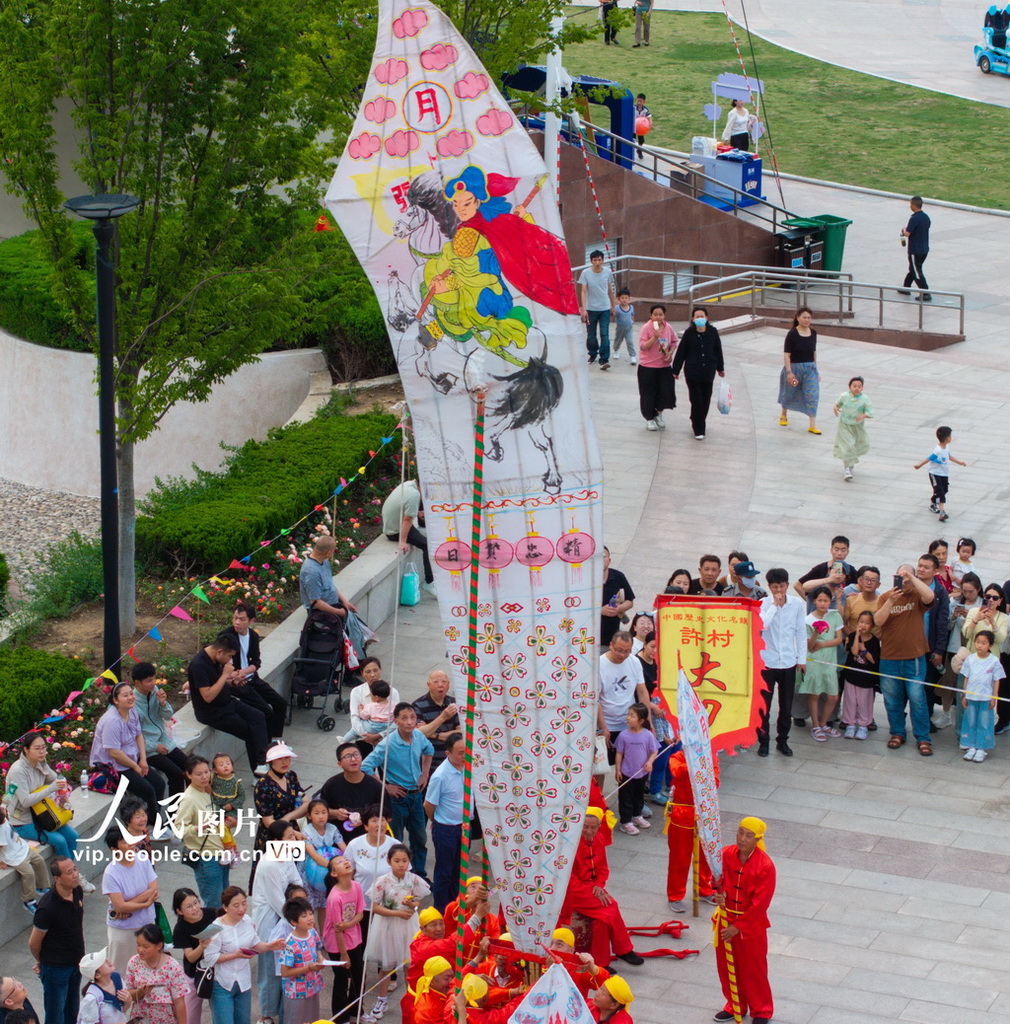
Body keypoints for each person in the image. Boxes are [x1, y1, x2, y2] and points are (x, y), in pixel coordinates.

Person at [712, 817, 776, 1024]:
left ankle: (762, 1010)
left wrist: (737, 927)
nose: (742, 839)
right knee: (726, 966)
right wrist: (717, 893)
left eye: (748, 835)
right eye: (740, 832)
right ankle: (734, 1004)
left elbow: (760, 904)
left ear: (757, 839)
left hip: (751, 927)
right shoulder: (725, 854)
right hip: (724, 918)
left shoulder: (765, 865)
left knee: (753, 969)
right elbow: (714, 879)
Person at [559, 809, 643, 968]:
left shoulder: (599, 838)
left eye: (593, 827)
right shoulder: (570, 844)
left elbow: (603, 869)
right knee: (611, 906)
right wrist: (592, 890)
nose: (589, 831)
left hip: (592, 888)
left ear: (598, 827)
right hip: (574, 891)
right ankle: (623, 949)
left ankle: (600, 962)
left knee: (601, 921)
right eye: (585, 827)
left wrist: (599, 885)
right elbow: (568, 879)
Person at [361, 704, 434, 877]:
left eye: (412, 717)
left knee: (420, 838)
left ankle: (419, 876)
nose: (409, 722)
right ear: (396, 721)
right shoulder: (388, 743)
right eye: (404, 718)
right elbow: (366, 766)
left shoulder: (418, 736)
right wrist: (385, 786)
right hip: (398, 798)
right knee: (396, 840)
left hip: (416, 796)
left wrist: (425, 774)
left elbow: (429, 750)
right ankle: (395, 877)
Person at [364, 844, 431, 1023]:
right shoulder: (382, 881)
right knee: (387, 965)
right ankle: (382, 1000)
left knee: (410, 963)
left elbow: (418, 902)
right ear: (389, 861)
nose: (401, 865)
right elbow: (375, 907)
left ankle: (412, 998)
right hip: (388, 925)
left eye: (404, 861)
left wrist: (411, 905)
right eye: (397, 861)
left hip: (408, 924)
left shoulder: (413, 879)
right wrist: (397, 913)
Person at [874, 562, 936, 755]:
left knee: (918, 699)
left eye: (908, 577)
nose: (905, 580)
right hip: (890, 658)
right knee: (892, 699)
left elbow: (930, 596)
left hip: (914, 658)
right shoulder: (886, 597)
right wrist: (891, 601)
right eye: (901, 576)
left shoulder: (918, 595)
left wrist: (914, 578)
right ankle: (897, 732)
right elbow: (878, 621)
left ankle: (923, 737)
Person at [187, 633, 269, 774]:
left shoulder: (216, 659)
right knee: (250, 732)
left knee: (259, 716)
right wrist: (225, 675)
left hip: (227, 702)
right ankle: (259, 771)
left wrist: (233, 683)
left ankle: (262, 762)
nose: (230, 660)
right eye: (229, 656)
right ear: (220, 651)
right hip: (212, 712)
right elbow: (207, 696)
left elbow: (218, 683)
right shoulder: (198, 665)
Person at [202, 887, 284, 1024]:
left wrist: (270, 946)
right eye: (236, 905)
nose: (242, 908)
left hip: (243, 983)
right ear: (225, 907)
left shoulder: (248, 921)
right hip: (222, 984)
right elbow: (210, 959)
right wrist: (235, 955)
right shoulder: (214, 927)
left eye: (244, 903)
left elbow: (255, 943)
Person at [90, 681, 167, 826]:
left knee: (159, 784)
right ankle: (154, 826)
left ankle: (152, 822)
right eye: (125, 695)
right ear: (115, 700)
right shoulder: (111, 721)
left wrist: (143, 760)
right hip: (114, 766)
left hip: (132, 759)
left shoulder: (131, 712)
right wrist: (136, 766)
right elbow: (114, 753)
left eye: (131, 693)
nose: (130, 697)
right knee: (148, 790)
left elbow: (139, 735)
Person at [28, 856, 85, 1024]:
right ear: (57, 879)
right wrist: (43, 962)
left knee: (72, 1011)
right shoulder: (47, 907)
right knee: (55, 1015)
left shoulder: (77, 891)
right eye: (69, 872)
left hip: (76, 963)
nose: (75, 874)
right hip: (56, 968)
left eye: (75, 869)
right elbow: (33, 943)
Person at [174, 755, 233, 911]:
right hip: (206, 858)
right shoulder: (189, 798)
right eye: (199, 774)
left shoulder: (207, 791)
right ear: (188, 775)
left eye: (207, 772)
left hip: (220, 853)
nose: (205, 777)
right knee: (214, 905)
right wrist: (199, 828)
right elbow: (179, 827)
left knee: (225, 901)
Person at [757, 569, 806, 757]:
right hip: (767, 662)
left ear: (787, 584)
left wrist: (801, 659)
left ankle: (783, 740)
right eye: (775, 587)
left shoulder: (796, 604)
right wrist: (774, 606)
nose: (779, 590)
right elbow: (762, 625)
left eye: (782, 586)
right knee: (764, 705)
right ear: (769, 587)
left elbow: (800, 633)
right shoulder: (763, 604)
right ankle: (763, 741)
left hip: (787, 662)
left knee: (786, 705)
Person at [223, 603, 287, 743]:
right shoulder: (226, 636)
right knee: (266, 711)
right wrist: (236, 674)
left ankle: (276, 738)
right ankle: (267, 743)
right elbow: (221, 663)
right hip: (238, 683)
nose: (237, 622)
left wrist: (245, 671)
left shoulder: (252, 636)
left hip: (252, 678)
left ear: (251, 621)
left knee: (281, 703)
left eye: (242, 619)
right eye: (235, 618)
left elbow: (256, 662)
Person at [664, 749, 717, 912]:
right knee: (679, 857)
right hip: (681, 813)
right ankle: (675, 895)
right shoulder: (677, 756)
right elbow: (676, 771)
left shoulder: (711, 757)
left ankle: (705, 889)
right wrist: (694, 766)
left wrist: (702, 767)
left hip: (704, 813)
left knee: (705, 855)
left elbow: (715, 781)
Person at [102, 825, 159, 975]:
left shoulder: (142, 857)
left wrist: (130, 904)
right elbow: (120, 907)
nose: (131, 844)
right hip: (124, 929)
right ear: (114, 849)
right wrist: (144, 903)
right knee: (121, 970)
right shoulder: (111, 873)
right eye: (125, 842)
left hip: (146, 922)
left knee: (147, 966)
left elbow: (153, 889)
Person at [343, 806, 399, 953]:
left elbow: (405, 874)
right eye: (374, 820)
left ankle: (386, 976)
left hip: (388, 906)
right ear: (366, 825)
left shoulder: (395, 845)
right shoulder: (355, 845)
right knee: (361, 947)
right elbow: (346, 873)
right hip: (362, 906)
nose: (379, 824)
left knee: (387, 948)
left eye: (382, 820)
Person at [252, 743, 312, 872]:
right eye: (280, 758)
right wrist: (291, 832)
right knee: (277, 875)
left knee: (295, 875)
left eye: (287, 758)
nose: (285, 762)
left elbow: (307, 803)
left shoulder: (291, 776)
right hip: (274, 836)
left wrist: (289, 817)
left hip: (292, 831)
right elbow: (268, 822)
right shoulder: (263, 785)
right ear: (270, 762)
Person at [424, 732, 467, 912]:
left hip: (463, 827)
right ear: (448, 753)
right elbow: (428, 805)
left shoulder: (468, 768)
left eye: (466, 751)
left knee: (459, 870)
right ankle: (440, 910)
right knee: (444, 872)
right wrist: (438, 822)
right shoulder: (440, 776)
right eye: (460, 752)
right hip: (446, 829)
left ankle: (455, 906)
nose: (464, 756)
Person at [132, 664, 189, 797]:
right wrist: (154, 747)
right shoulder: (132, 704)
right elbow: (133, 736)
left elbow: (168, 716)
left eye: (154, 679)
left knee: (190, 767)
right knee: (176, 775)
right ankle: (173, 815)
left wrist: (163, 703)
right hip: (148, 749)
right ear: (137, 683)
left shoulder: (155, 691)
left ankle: (190, 807)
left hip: (163, 740)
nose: (153, 683)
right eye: (148, 681)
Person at [598, 633, 650, 774]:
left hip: (629, 722)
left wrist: (647, 722)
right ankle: (600, 796)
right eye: (619, 650)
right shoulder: (599, 664)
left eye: (627, 651)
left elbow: (642, 692)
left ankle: (627, 796)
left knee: (630, 764)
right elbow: (595, 700)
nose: (622, 655)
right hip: (607, 722)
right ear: (610, 645)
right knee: (601, 767)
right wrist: (603, 728)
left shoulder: (634, 662)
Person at [798, 586, 845, 740]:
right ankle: (816, 725)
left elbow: (839, 639)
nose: (823, 604)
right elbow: (810, 646)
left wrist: (823, 644)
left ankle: (824, 723)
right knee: (814, 694)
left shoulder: (835, 616)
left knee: (833, 696)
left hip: (830, 661)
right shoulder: (808, 620)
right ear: (814, 601)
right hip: (814, 661)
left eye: (826, 600)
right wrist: (816, 634)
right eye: (820, 600)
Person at [671, 307, 725, 439]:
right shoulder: (689, 333)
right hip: (692, 372)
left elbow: (718, 350)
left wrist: (720, 368)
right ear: (693, 319)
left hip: (708, 372)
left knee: (705, 399)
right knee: (696, 400)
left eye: (702, 316)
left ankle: (696, 418)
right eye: (697, 317)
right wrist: (676, 370)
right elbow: (681, 352)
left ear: (707, 318)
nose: (700, 319)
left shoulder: (713, 332)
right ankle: (699, 429)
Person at [322, 856, 365, 1024]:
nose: (346, 862)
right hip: (337, 945)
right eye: (340, 862)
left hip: (354, 938)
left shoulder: (357, 886)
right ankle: (341, 1017)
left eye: (346, 859)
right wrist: (343, 955)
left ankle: (357, 1010)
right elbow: (336, 930)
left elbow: (360, 914)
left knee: (358, 975)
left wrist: (347, 924)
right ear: (334, 873)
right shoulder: (334, 898)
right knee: (341, 980)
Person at [320, 743, 384, 845]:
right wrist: (335, 813)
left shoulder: (375, 786)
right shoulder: (331, 785)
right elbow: (319, 811)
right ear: (339, 763)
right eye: (348, 756)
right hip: (339, 842)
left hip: (368, 842)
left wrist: (366, 820)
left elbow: (387, 815)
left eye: (356, 755)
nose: (353, 759)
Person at [171, 888, 218, 1024]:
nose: (195, 908)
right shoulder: (180, 928)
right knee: (190, 1016)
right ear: (179, 911)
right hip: (194, 974)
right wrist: (202, 946)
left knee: (219, 1011)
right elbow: (190, 957)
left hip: (215, 968)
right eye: (189, 906)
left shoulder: (212, 913)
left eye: (196, 903)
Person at [125, 924, 188, 1024]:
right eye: (138, 945)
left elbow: (179, 1002)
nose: (140, 950)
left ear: (159, 946)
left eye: (145, 946)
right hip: (141, 1019)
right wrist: (141, 991)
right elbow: (129, 995)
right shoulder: (134, 963)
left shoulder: (173, 967)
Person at [298, 800, 345, 928]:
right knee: (310, 906)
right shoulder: (307, 832)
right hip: (310, 871)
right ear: (309, 816)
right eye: (317, 813)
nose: (321, 816)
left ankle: (323, 936)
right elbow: (314, 856)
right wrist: (334, 867)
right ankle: (312, 935)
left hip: (326, 872)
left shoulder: (332, 829)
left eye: (324, 812)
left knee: (324, 905)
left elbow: (344, 848)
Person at [278, 897, 325, 1024]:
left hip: (312, 986)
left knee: (312, 1020)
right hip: (296, 992)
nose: (310, 918)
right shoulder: (289, 944)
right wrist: (309, 968)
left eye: (310, 913)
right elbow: (285, 972)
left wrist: (320, 957)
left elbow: (317, 947)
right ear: (294, 922)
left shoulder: (312, 932)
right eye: (304, 916)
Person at [382, 480, 434, 593]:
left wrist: (418, 512)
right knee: (427, 546)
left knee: (426, 539)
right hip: (395, 531)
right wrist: (402, 541)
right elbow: (407, 519)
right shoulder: (414, 495)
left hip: (392, 524)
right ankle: (429, 583)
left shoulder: (409, 484)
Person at [960, 630, 1004, 763]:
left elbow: (997, 680)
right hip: (971, 697)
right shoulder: (970, 659)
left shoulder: (994, 661)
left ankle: (981, 748)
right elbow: (966, 677)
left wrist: (994, 697)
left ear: (990, 645)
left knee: (984, 723)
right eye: (977, 642)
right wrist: (964, 694)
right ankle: (971, 746)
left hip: (985, 698)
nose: (979, 645)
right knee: (970, 721)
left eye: (983, 643)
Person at [614, 705, 658, 835]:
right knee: (625, 798)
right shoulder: (623, 735)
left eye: (632, 716)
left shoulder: (648, 735)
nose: (628, 718)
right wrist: (618, 770)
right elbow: (619, 753)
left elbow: (654, 751)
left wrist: (649, 762)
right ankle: (626, 822)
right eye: (628, 714)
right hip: (627, 773)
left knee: (639, 796)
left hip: (642, 773)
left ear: (641, 720)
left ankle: (637, 815)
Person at [343, 658, 402, 751]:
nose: (373, 675)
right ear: (362, 673)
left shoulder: (393, 692)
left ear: (380, 670)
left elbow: (398, 720)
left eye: (375, 670)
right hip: (363, 739)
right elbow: (355, 719)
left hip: (387, 740)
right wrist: (369, 737)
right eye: (368, 671)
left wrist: (379, 735)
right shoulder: (357, 692)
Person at [0, 803, 48, 913]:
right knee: (29, 873)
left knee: (39, 860)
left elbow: (4, 808)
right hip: (14, 857)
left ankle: (42, 886)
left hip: (22, 847)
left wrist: (4, 805)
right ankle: (28, 900)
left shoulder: (3, 817)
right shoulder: (1, 831)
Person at [778, 307, 820, 433]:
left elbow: (814, 352)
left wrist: (816, 370)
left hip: (809, 370)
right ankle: (784, 413)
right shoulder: (792, 334)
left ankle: (812, 424)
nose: (807, 320)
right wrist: (789, 372)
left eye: (809, 317)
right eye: (804, 317)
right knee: (790, 391)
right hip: (794, 370)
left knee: (812, 394)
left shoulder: (813, 333)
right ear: (798, 318)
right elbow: (787, 355)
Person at [914, 425, 966, 523]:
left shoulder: (946, 447)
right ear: (947, 438)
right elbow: (929, 458)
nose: (951, 437)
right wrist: (919, 465)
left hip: (944, 474)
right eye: (950, 436)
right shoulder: (937, 450)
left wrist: (959, 462)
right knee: (940, 493)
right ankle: (942, 513)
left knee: (944, 490)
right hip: (935, 474)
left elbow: (949, 456)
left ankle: (933, 503)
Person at [636, 304, 677, 430]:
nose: (658, 317)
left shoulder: (668, 327)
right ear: (651, 315)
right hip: (648, 367)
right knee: (648, 393)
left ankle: (658, 413)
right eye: (655, 315)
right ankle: (649, 418)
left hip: (664, 366)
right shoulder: (646, 328)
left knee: (666, 391)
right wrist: (654, 337)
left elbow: (674, 342)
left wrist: (670, 353)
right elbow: (643, 346)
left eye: (660, 314)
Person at [841, 612, 880, 740]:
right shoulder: (853, 636)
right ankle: (850, 724)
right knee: (850, 700)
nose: (863, 625)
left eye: (867, 623)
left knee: (864, 702)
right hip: (851, 675)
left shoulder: (874, 641)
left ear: (872, 626)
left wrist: (864, 649)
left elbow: (874, 660)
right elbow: (853, 651)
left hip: (866, 678)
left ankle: (863, 725)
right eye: (861, 621)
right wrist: (857, 636)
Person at [412, 670, 460, 770]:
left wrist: (434, 734)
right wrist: (443, 717)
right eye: (436, 682)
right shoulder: (417, 705)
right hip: (428, 764)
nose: (440, 685)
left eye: (444, 682)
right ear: (428, 685)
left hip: (453, 762)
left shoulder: (455, 703)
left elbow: (461, 733)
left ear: (448, 684)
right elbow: (419, 734)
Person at [795, 536, 858, 607]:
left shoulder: (850, 570)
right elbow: (798, 585)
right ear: (831, 550)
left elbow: (859, 586)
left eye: (843, 550)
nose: (839, 553)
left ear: (847, 552)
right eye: (836, 550)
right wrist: (812, 602)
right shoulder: (821, 568)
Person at [579, 250, 616, 369]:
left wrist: (613, 305)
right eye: (595, 260)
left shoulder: (607, 272)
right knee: (591, 335)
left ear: (603, 260)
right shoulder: (585, 273)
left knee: (604, 334)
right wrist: (584, 309)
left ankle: (604, 359)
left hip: (604, 308)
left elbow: (610, 290)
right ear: (591, 261)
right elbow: (583, 291)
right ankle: (592, 354)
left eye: (599, 260)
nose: (597, 262)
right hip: (591, 309)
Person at [832, 376, 873, 481]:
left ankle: (851, 460)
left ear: (862, 388)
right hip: (844, 425)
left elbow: (870, 412)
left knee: (863, 444)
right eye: (854, 386)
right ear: (849, 387)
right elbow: (837, 404)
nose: (856, 388)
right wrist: (836, 409)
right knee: (847, 446)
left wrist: (862, 416)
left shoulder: (865, 399)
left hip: (857, 426)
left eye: (859, 386)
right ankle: (846, 471)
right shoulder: (844, 396)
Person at [77, 951, 131, 1024]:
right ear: (97, 975)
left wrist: (128, 1000)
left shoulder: (117, 979)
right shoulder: (92, 998)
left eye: (106, 958)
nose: (108, 961)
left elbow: (122, 1010)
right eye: (103, 962)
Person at [899, 195, 931, 302]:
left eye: (910, 204)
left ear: (913, 205)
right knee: (914, 268)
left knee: (916, 271)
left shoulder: (914, 218)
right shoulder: (926, 217)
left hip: (915, 250)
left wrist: (903, 230)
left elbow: (908, 233)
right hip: (924, 249)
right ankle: (905, 287)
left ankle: (925, 292)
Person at [601, 548, 635, 648]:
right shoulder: (583, 579)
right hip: (588, 638)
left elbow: (630, 601)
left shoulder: (618, 576)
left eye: (603, 556)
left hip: (612, 637)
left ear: (609, 560)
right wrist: (600, 610)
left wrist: (618, 609)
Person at [409, 956, 452, 1024]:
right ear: (431, 981)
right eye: (446, 978)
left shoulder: (440, 991)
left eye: (452, 976)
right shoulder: (427, 1012)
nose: (451, 981)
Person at [612, 289, 637, 364]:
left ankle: (632, 356)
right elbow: (615, 315)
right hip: (620, 328)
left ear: (629, 298)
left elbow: (632, 315)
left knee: (630, 341)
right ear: (618, 299)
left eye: (626, 298)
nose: (624, 300)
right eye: (622, 298)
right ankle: (616, 350)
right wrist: (613, 314)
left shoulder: (631, 307)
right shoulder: (617, 308)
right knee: (618, 340)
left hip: (629, 328)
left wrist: (633, 321)